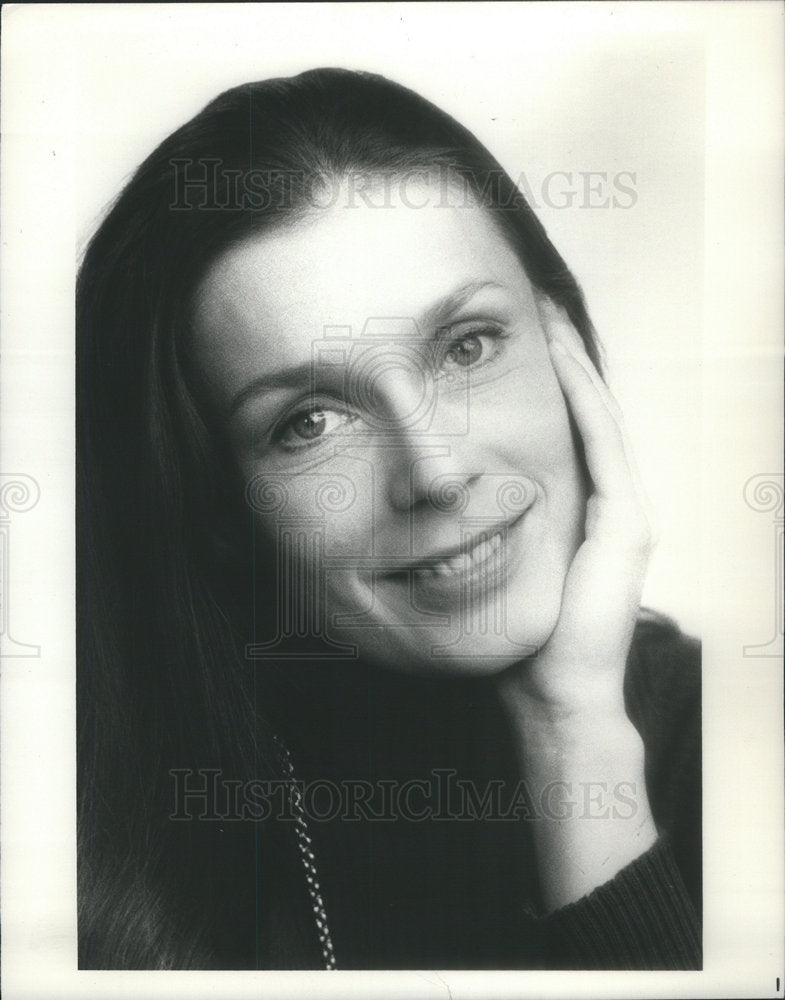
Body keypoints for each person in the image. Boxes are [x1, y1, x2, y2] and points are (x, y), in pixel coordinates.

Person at [76, 67, 701, 971]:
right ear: (214, 501)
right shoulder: (90, 844)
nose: (436, 473)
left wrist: (572, 735)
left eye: (467, 346)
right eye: (310, 422)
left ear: (562, 341)